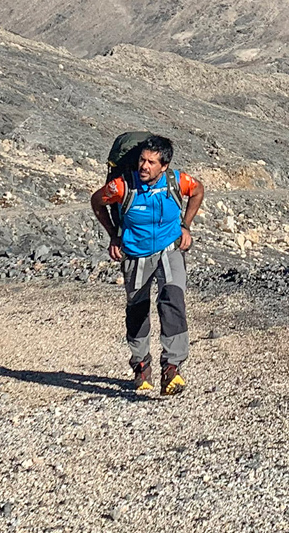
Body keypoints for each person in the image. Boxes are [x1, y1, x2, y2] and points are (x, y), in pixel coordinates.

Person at [90, 134, 204, 396]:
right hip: (136, 253)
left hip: (169, 248)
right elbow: (97, 202)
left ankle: (172, 367)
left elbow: (198, 191)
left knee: (172, 299)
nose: (144, 166)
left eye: (151, 162)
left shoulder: (177, 182)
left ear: (164, 166)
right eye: (142, 160)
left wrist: (185, 225)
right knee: (138, 309)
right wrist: (114, 234)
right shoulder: (121, 186)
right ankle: (141, 366)